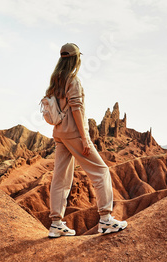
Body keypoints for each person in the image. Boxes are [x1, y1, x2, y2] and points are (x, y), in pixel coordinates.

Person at [46, 43, 127, 238]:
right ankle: (106, 219)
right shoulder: (73, 81)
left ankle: (56, 223)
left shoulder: (55, 80)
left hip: (59, 134)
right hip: (73, 134)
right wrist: (85, 139)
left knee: (60, 178)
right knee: (101, 171)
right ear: (76, 59)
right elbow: (76, 109)